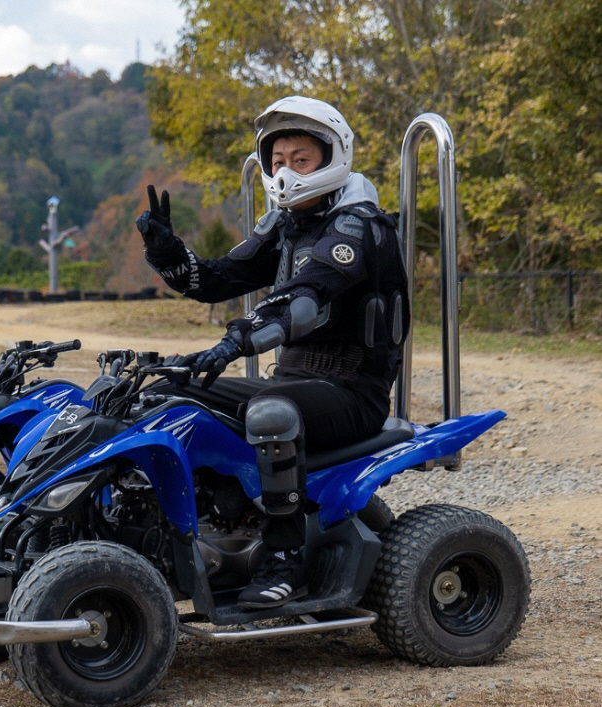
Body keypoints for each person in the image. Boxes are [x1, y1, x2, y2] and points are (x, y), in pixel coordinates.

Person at [136, 96, 409, 609]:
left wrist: (237, 339)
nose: (286, 172)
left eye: (300, 160)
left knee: (269, 414)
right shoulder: (286, 226)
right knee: (170, 394)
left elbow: (302, 301)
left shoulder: (359, 227)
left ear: (334, 157)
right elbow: (218, 278)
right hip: (292, 384)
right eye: (277, 161)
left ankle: (286, 559)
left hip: (351, 392)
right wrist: (166, 252)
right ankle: (190, 527)